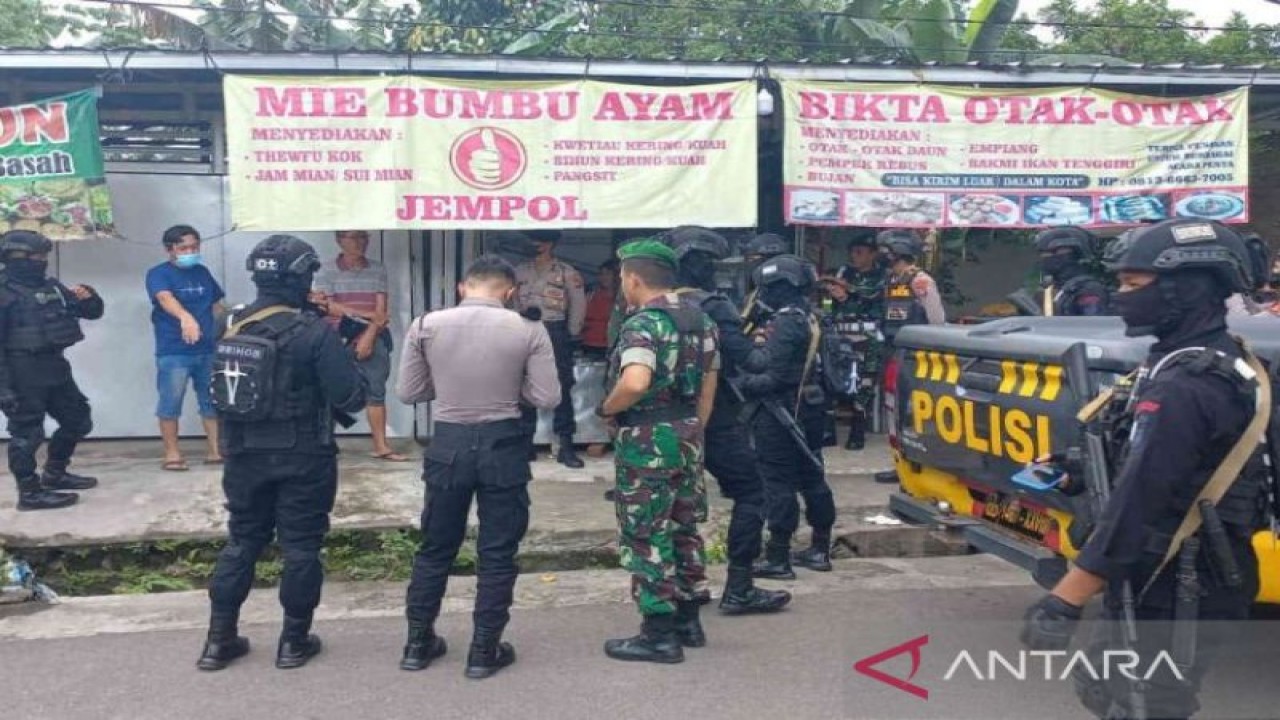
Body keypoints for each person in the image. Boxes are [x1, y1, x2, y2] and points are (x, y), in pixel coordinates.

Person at [1020, 218, 1266, 719]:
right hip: (1163, 569)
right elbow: (1169, 457)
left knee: (1151, 704)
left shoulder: (1189, 384)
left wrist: (1066, 599)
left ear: (1186, 289)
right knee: (1104, 685)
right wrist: (1077, 468)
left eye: (1134, 283)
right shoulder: (1186, 360)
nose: (1121, 295)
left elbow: (1143, 498)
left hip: (1186, 580)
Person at [198, 235, 366, 672]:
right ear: (303, 277)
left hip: (242, 453)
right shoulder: (313, 331)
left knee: (242, 541)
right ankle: (293, 642)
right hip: (303, 454)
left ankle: (218, 641)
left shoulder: (229, 321)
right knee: (301, 548)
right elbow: (350, 396)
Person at [395, 255, 560, 679]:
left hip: (448, 444)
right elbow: (547, 397)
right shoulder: (528, 329)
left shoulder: (426, 325)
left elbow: (409, 392)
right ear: (510, 292)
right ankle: (484, 651)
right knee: (498, 551)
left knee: (435, 547)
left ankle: (417, 644)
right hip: (503, 445)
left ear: (462, 287)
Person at [598, 239, 718, 664]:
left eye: (622, 278)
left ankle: (658, 635)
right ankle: (689, 621)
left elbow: (635, 382)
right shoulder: (701, 320)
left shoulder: (644, 323)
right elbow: (708, 389)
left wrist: (607, 409)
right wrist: (692, 430)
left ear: (633, 278)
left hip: (647, 439)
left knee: (647, 532)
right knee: (684, 526)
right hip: (687, 434)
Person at [668, 226, 792, 615]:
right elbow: (751, 361)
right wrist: (770, 341)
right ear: (701, 266)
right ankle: (739, 586)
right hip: (717, 419)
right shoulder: (715, 306)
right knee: (751, 493)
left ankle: (683, 589)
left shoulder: (651, 307)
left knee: (673, 507)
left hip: (662, 422)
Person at [739, 254, 837, 580]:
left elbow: (773, 376)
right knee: (812, 475)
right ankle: (820, 548)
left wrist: (740, 383)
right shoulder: (814, 318)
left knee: (777, 481)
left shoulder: (785, 322)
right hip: (810, 407)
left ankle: (778, 557)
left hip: (781, 411)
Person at [0, 230, 103, 511]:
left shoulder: (51, 287)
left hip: (54, 366)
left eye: (43, 256)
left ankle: (55, 473)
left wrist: (90, 297)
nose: (42, 261)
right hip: (21, 370)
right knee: (27, 434)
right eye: (36, 256)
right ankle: (29, 493)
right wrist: (4, 388)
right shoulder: (4, 293)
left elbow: (91, 312)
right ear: (15, 257)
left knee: (78, 420)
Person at [311, 229, 406, 462]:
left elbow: (381, 312)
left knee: (376, 389)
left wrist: (369, 333)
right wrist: (367, 315)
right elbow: (328, 307)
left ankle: (381, 446)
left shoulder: (377, 269)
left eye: (363, 237)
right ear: (339, 240)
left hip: (373, 333)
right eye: (353, 237)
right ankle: (325, 442)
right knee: (328, 390)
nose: (359, 242)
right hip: (337, 336)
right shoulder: (326, 270)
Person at [146, 224, 225, 471]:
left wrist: (230, 327)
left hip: (207, 349)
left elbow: (216, 305)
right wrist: (185, 317)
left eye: (194, 247)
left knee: (212, 401)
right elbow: (164, 298)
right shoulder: (158, 274)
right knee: (171, 402)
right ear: (170, 249)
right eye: (183, 248)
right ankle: (172, 454)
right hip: (174, 350)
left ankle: (216, 450)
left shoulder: (202, 272)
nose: (190, 252)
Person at [515, 230, 586, 468]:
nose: (537, 245)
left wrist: (572, 334)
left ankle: (566, 445)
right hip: (525, 328)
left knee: (562, 386)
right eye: (533, 240)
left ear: (552, 244)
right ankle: (525, 443)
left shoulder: (566, 272)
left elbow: (578, 304)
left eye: (542, 241)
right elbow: (510, 301)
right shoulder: (519, 271)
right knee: (524, 384)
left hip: (555, 331)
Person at [827, 234, 888, 450]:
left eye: (860, 252)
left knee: (865, 382)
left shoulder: (882, 275)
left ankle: (858, 430)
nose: (854, 256)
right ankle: (828, 429)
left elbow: (872, 298)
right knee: (833, 378)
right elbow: (830, 302)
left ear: (873, 254)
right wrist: (833, 299)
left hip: (867, 335)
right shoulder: (844, 272)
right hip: (841, 333)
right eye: (852, 252)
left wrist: (847, 293)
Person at [878, 229, 945, 344]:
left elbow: (937, 320)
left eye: (884, 252)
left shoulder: (920, 281)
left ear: (895, 255)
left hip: (916, 345)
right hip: (892, 344)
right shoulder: (890, 281)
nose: (881, 256)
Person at [1033, 227, 1109, 316]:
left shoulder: (1088, 289)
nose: (1044, 256)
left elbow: (1092, 323)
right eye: (1043, 253)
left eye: (1050, 252)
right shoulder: (1052, 288)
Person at [582, 259, 619, 362]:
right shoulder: (591, 295)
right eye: (601, 274)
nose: (604, 277)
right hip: (589, 344)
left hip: (611, 345)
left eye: (608, 274)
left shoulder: (622, 299)